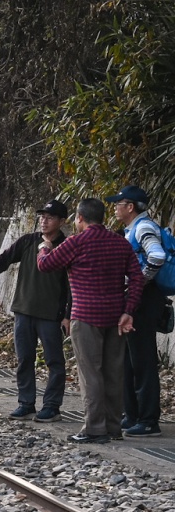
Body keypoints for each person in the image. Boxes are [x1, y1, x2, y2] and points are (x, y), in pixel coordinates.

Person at [37, 197, 143, 444]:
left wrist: (44, 246)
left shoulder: (76, 242)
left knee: (90, 374)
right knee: (113, 373)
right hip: (116, 317)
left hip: (85, 318)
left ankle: (95, 428)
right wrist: (129, 310)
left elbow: (46, 265)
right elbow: (137, 279)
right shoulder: (120, 243)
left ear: (81, 218)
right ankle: (114, 427)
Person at [0, 200, 72, 422]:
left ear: (61, 221)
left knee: (54, 361)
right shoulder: (28, 241)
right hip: (24, 311)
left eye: (49, 217)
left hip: (50, 315)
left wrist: (68, 314)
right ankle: (26, 403)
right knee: (24, 359)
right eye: (42, 216)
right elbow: (4, 259)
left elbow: (71, 285)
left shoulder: (66, 246)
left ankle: (52, 406)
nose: (44, 221)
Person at [109, 186, 168, 436]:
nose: (115, 207)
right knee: (131, 360)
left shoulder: (143, 227)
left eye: (118, 203)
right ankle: (132, 415)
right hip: (138, 299)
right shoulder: (133, 228)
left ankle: (148, 420)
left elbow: (157, 256)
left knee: (142, 360)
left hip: (144, 301)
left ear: (130, 207)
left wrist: (139, 282)